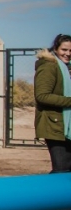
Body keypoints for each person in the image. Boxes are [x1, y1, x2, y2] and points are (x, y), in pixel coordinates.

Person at [34, 34, 71, 173]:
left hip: (66, 125)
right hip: (54, 124)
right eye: (64, 50)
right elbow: (42, 96)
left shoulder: (66, 69)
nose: (67, 54)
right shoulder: (49, 66)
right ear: (56, 49)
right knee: (61, 169)